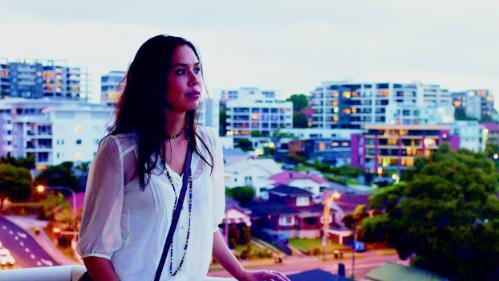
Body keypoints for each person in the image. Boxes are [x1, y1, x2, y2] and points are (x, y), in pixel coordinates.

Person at [77, 35, 289, 281]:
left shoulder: (207, 144)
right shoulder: (120, 151)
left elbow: (206, 226)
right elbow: (94, 251)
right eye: (180, 71)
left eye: (197, 69)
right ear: (153, 82)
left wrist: (242, 274)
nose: (194, 80)